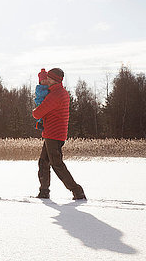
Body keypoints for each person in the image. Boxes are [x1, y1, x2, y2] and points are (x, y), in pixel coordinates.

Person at [32, 68, 86, 200]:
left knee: (56, 164)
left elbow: (37, 113)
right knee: (43, 162)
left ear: (55, 80)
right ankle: (44, 191)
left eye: (49, 78)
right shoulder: (60, 93)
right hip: (54, 133)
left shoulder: (55, 95)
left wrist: (36, 109)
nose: (47, 80)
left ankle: (77, 191)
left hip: (53, 134)